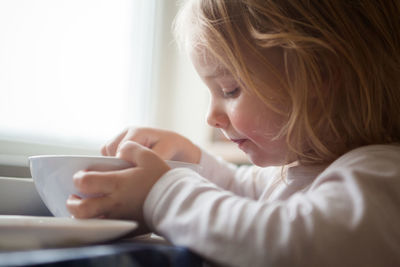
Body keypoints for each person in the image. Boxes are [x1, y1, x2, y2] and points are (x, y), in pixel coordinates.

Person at [67, 0, 400, 266]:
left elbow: (288, 245)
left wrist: (163, 194)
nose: (211, 117)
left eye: (229, 90)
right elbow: (239, 192)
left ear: (319, 74)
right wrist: (189, 158)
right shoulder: (301, 171)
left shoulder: (383, 175)